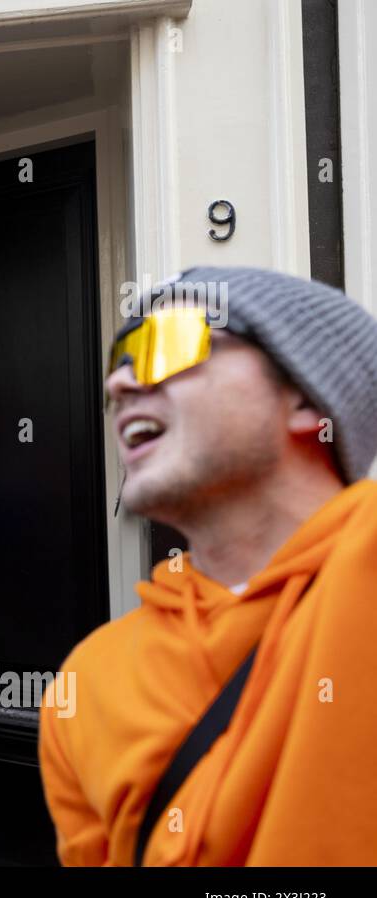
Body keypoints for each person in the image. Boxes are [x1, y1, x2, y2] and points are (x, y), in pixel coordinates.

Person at [39, 266, 377, 865]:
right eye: (119, 362)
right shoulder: (85, 686)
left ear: (304, 398)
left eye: (163, 345)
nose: (119, 383)